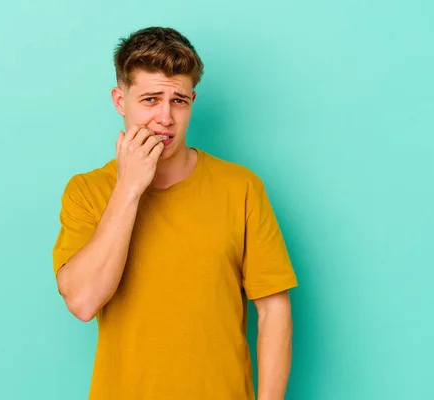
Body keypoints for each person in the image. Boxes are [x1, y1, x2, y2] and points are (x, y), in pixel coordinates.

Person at [51, 26, 298, 400]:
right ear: (121, 100)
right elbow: (83, 301)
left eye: (178, 101)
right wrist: (129, 187)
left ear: (192, 101)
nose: (165, 118)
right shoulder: (87, 191)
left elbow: (274, 309)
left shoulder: (241, 188)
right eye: (150, 99)